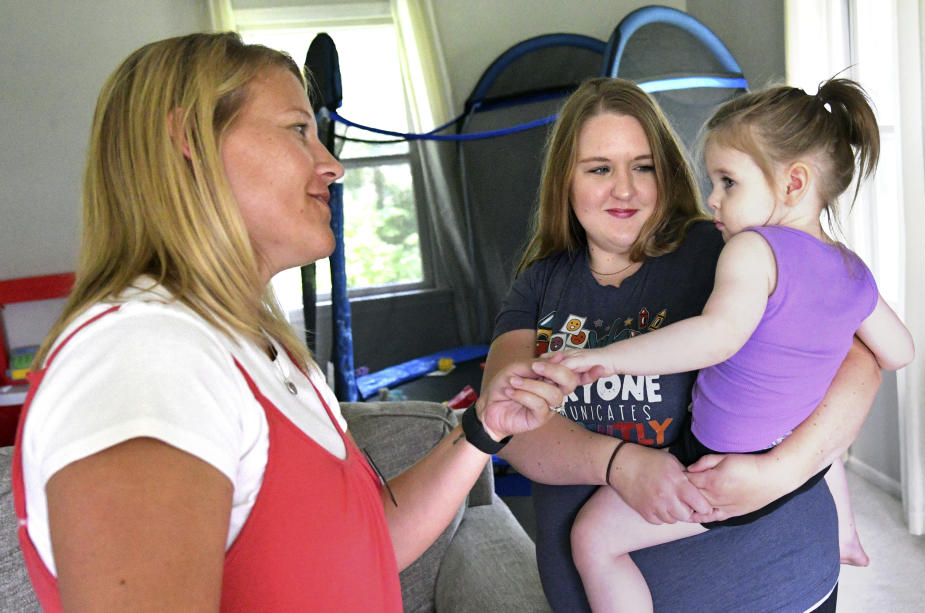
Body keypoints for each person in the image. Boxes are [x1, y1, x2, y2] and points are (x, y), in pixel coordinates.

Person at [11, 32, 576, 612]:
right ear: (190, 139)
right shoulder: (143, 356)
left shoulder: (256, 350)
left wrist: (483, 428)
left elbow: (364, 542)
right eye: (297, 130)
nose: (332, 167)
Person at [483, 77, 884, 612]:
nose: (623, 189)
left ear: (667, 172)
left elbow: (858, 360)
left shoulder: (730, 249)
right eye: (599, 168)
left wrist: (779, 472)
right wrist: (619, 465)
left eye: (642, 167)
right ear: (566, 181)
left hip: (776, 583)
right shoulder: (539, 285)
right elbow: (508, 427)